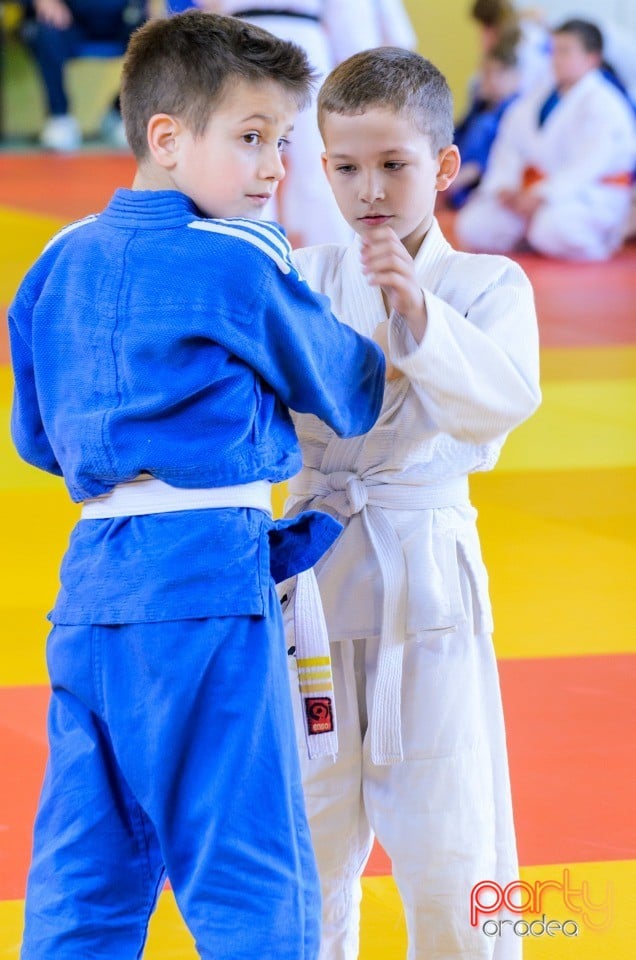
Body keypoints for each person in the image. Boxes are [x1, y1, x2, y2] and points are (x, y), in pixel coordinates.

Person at [8, 12, 387, 960]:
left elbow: (38, 440)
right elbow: (345, 388)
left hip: (90, 593)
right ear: (167, 137)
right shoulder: (239, 255)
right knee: (248, 861)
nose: (273, 170)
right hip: (205, 591)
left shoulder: (54, 261)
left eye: (284, 143)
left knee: (84, 871)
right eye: (251, 138)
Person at [278, 46, 541, 960]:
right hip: (307, 585)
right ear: (321, 168)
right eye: (347, 167)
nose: (371, 190)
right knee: (304, 837)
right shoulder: (300, 277)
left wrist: (416, 317)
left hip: (423, 585)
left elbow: (503, 402)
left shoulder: (487, 285)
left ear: (443, 165)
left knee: (455, 824)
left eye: (394, 164)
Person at [166, 1, 416, 247]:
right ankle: (327, 258)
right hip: (283, 37)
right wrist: (357, 67)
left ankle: (252, 248)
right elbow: (347, 15)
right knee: (312, 160)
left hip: (242, 38)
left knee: (249, 149)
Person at [456, 18, 636, 261]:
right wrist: (505, 186)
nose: (556, 58)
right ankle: (528, 235)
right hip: (529, 194)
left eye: (565, 51)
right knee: (473, 226)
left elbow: (589, 165)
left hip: (589, 197)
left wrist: (543, 194)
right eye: (554, 50)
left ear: (591, 58)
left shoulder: (605, 105)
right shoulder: (537, 97)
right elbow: (510, 146)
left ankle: (601, 241)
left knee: (551, 228)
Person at [18, 0, 147, 151]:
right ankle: (59, 117)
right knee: (43, 30)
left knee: (157, 38)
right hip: (68, 20)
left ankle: (118, 112)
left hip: (120, 18)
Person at [445, 36, 521, 209]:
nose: (492, 79)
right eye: (487, 72)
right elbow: (454, 136)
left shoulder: (517, 111)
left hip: (483, 183)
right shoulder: (480, 105)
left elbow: (487, 161)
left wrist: (453, 181)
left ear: (516, 77)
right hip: (456, 177)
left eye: (500, 73)